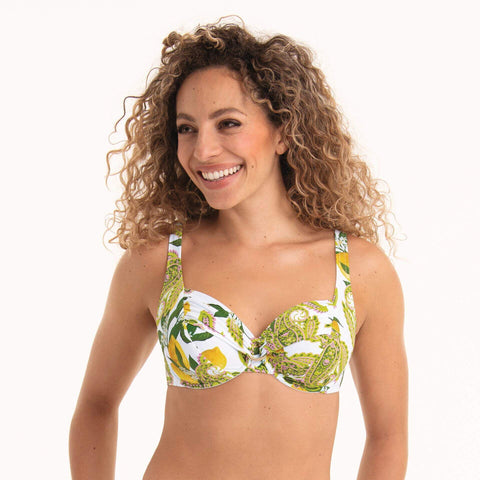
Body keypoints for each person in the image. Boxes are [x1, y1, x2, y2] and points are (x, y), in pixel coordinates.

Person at [69, 16, 408, 480]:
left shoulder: (359, 269)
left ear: (284, 132)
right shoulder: (157, 262)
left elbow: (388, 436)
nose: (203, 151)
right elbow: (96, 405)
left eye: (228, 123)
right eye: (186, 128)